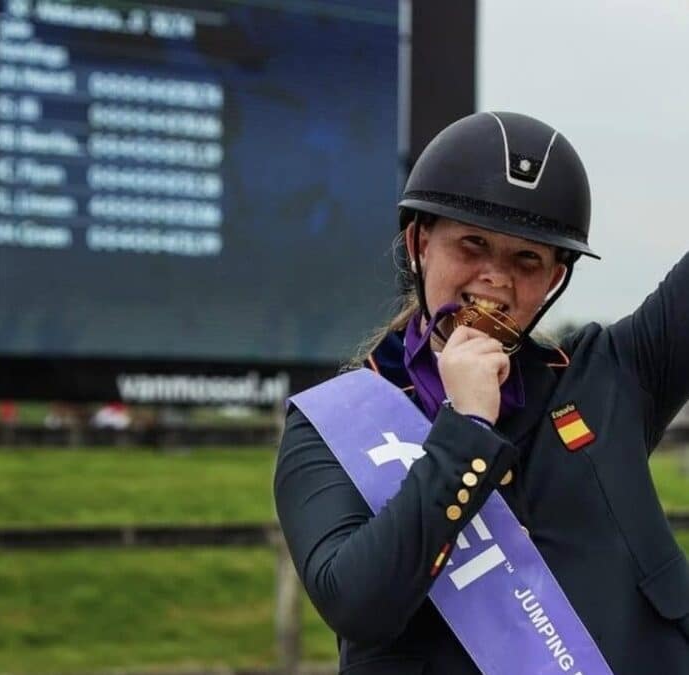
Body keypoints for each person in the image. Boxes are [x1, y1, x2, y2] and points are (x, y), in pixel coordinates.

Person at [274, 112, 689, 674]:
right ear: (420, 243)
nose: (496, 276)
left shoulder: (613, 374)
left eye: (528, 259)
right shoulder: (332, 424)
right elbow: (358, 604)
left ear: (553, 279)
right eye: (472, 243)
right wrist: (464, 431)